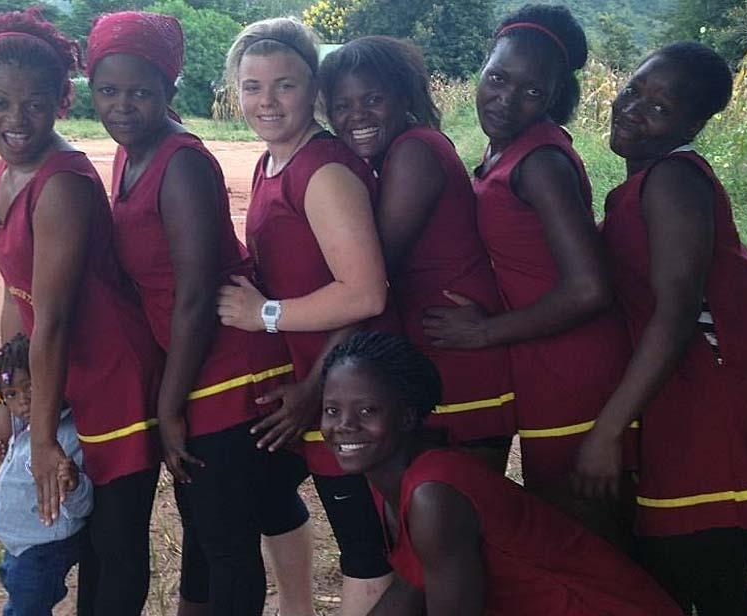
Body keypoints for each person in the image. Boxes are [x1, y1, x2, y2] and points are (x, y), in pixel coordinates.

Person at [0, 9, 166, 614]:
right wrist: (6, 410)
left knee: (111, 544)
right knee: (68, 533)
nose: (17, 119)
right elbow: (18, 297)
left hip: (111, 377)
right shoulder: (4, 174)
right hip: (60, 373)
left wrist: (40, 441)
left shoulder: (60, 183)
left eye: (36, 103)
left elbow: (56, 320)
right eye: (0, 102)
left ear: (60, 102)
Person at [85, 12, 312, 615]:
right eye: (108, 91)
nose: (123, 106)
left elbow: (193, 296)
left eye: (141, 91)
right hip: (199, 365)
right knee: (211, 535)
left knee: (226, 545)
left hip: (227, 369)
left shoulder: (179, 162)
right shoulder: (131, 155)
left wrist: (168, 404)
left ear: (169, 91)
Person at [580, 42, 747, 615]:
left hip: (719, 409)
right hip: (681, 406)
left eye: (660, 106)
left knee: (708, 587)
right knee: (678, 583)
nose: (633, 109)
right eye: (634, 90)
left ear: (693, 124)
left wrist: (606, 431)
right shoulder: (640, 186)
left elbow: (676, 316)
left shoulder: (675, 180)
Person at [420, 4, 631, 534]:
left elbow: (589, 288)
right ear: (483, 69)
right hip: (540, 360)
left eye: (532, 92)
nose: (506, 99)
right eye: (497, 78)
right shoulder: (504, 151)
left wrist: (484, 331)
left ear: (554, 97)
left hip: (573, 368)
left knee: (582, 534)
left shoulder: (541, 163)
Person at [217, 17, 394, 614]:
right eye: (252, 86)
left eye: (285, 85)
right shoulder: (273, 164)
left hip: (343, 385)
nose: (267, 101)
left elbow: (366, 293)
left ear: (312, 90)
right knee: (269, 496)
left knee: (365, 548)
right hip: (309, 376)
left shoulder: (322, 170)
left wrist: (263, 314)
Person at [318, 331, 683, 616]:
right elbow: (412, 584)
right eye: (332, 410)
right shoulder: (390, 476)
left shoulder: (434, 493)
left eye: (366, 411)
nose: (344, 426)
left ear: (407, 417)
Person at [320, 36, 515, 472]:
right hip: (438, 352)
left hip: (460, 361)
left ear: (403, 97)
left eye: (372, 99)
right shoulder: (397, 153)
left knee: (458, 512)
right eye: (342, 106)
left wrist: (315, 379)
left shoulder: (414, 151)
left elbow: (371, 278)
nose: (357, 116)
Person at [0, 333, 92, 616]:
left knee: (27, 607)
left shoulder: (66, 436)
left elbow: (84, 505)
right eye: (11, 395)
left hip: (44, 548)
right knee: (20, 604)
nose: (24, 401)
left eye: (31, 387)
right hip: (19, 546)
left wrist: (73, 484)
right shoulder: (22, 430)